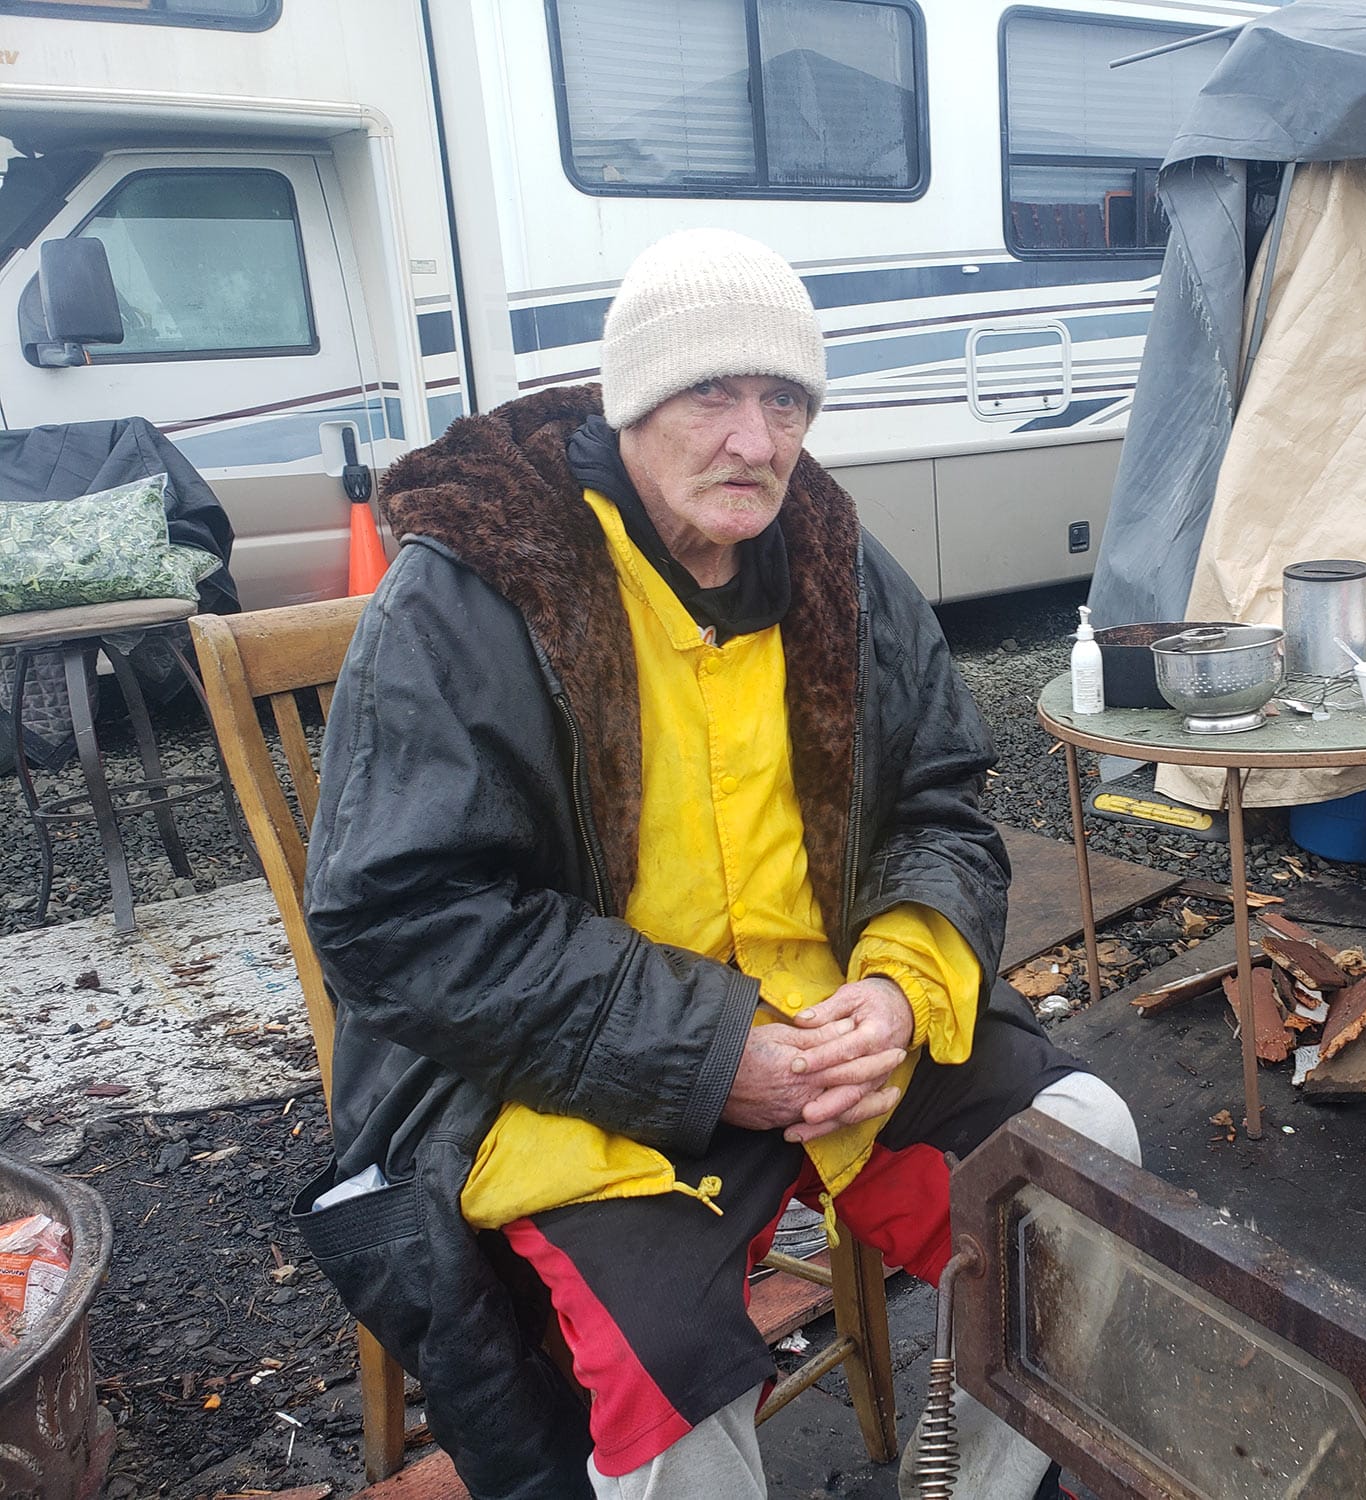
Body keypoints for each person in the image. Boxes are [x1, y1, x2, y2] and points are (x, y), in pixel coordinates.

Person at [298, 228, 1140, 1500]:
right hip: (586, 1082)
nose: (756, 440)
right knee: (668, 1365)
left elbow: (941, 800)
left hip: (836, 1042)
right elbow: (402, 918)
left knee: (1080, 1155)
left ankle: (974, 1488)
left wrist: (903, 985)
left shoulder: (836, 568)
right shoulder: (474, 588)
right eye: (713, 393)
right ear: (633, 400)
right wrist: (713, 1053)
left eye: (786, 399)